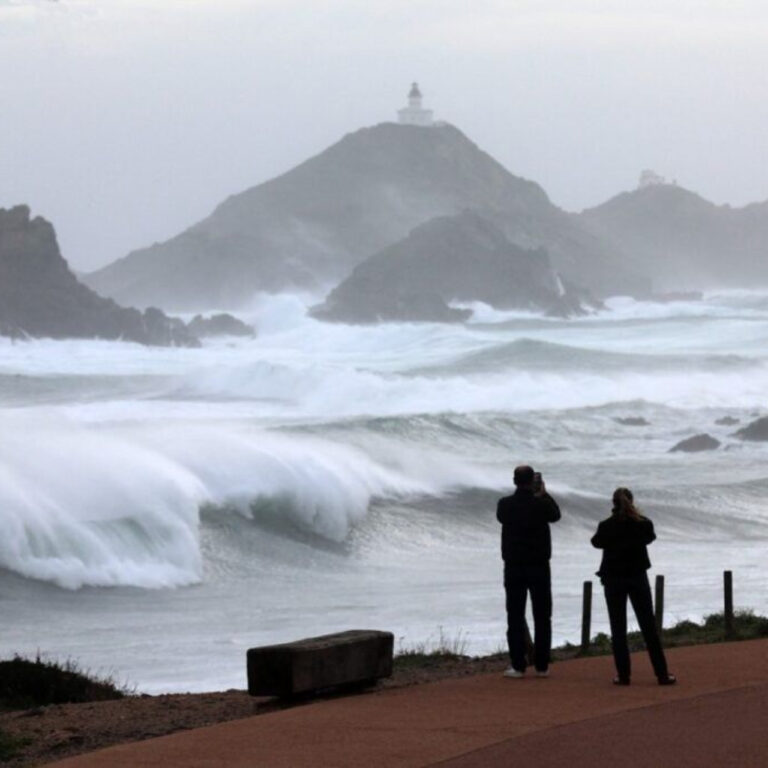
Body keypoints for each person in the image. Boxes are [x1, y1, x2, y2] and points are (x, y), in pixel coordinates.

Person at [591, 488, 676, 686]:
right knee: (649, 628)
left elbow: (596, 542)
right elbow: (650, 537)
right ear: (632, 501)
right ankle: (662, 675)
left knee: (618, 628)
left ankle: (623, 676)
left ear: (613, 503)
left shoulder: (606, 526)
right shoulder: (643, 524)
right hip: (638, 577)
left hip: (613, 580)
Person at [497, 465, 561, 678]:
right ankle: (542, 666)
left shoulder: (505, 504)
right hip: (539, 566)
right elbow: (556, 515)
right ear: (533, 482)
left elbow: (502, 518)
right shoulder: (541, 504)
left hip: (514, 566)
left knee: (514, 615)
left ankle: (518, 665)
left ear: (515, 481)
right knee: (543, 615)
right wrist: (544, 494)